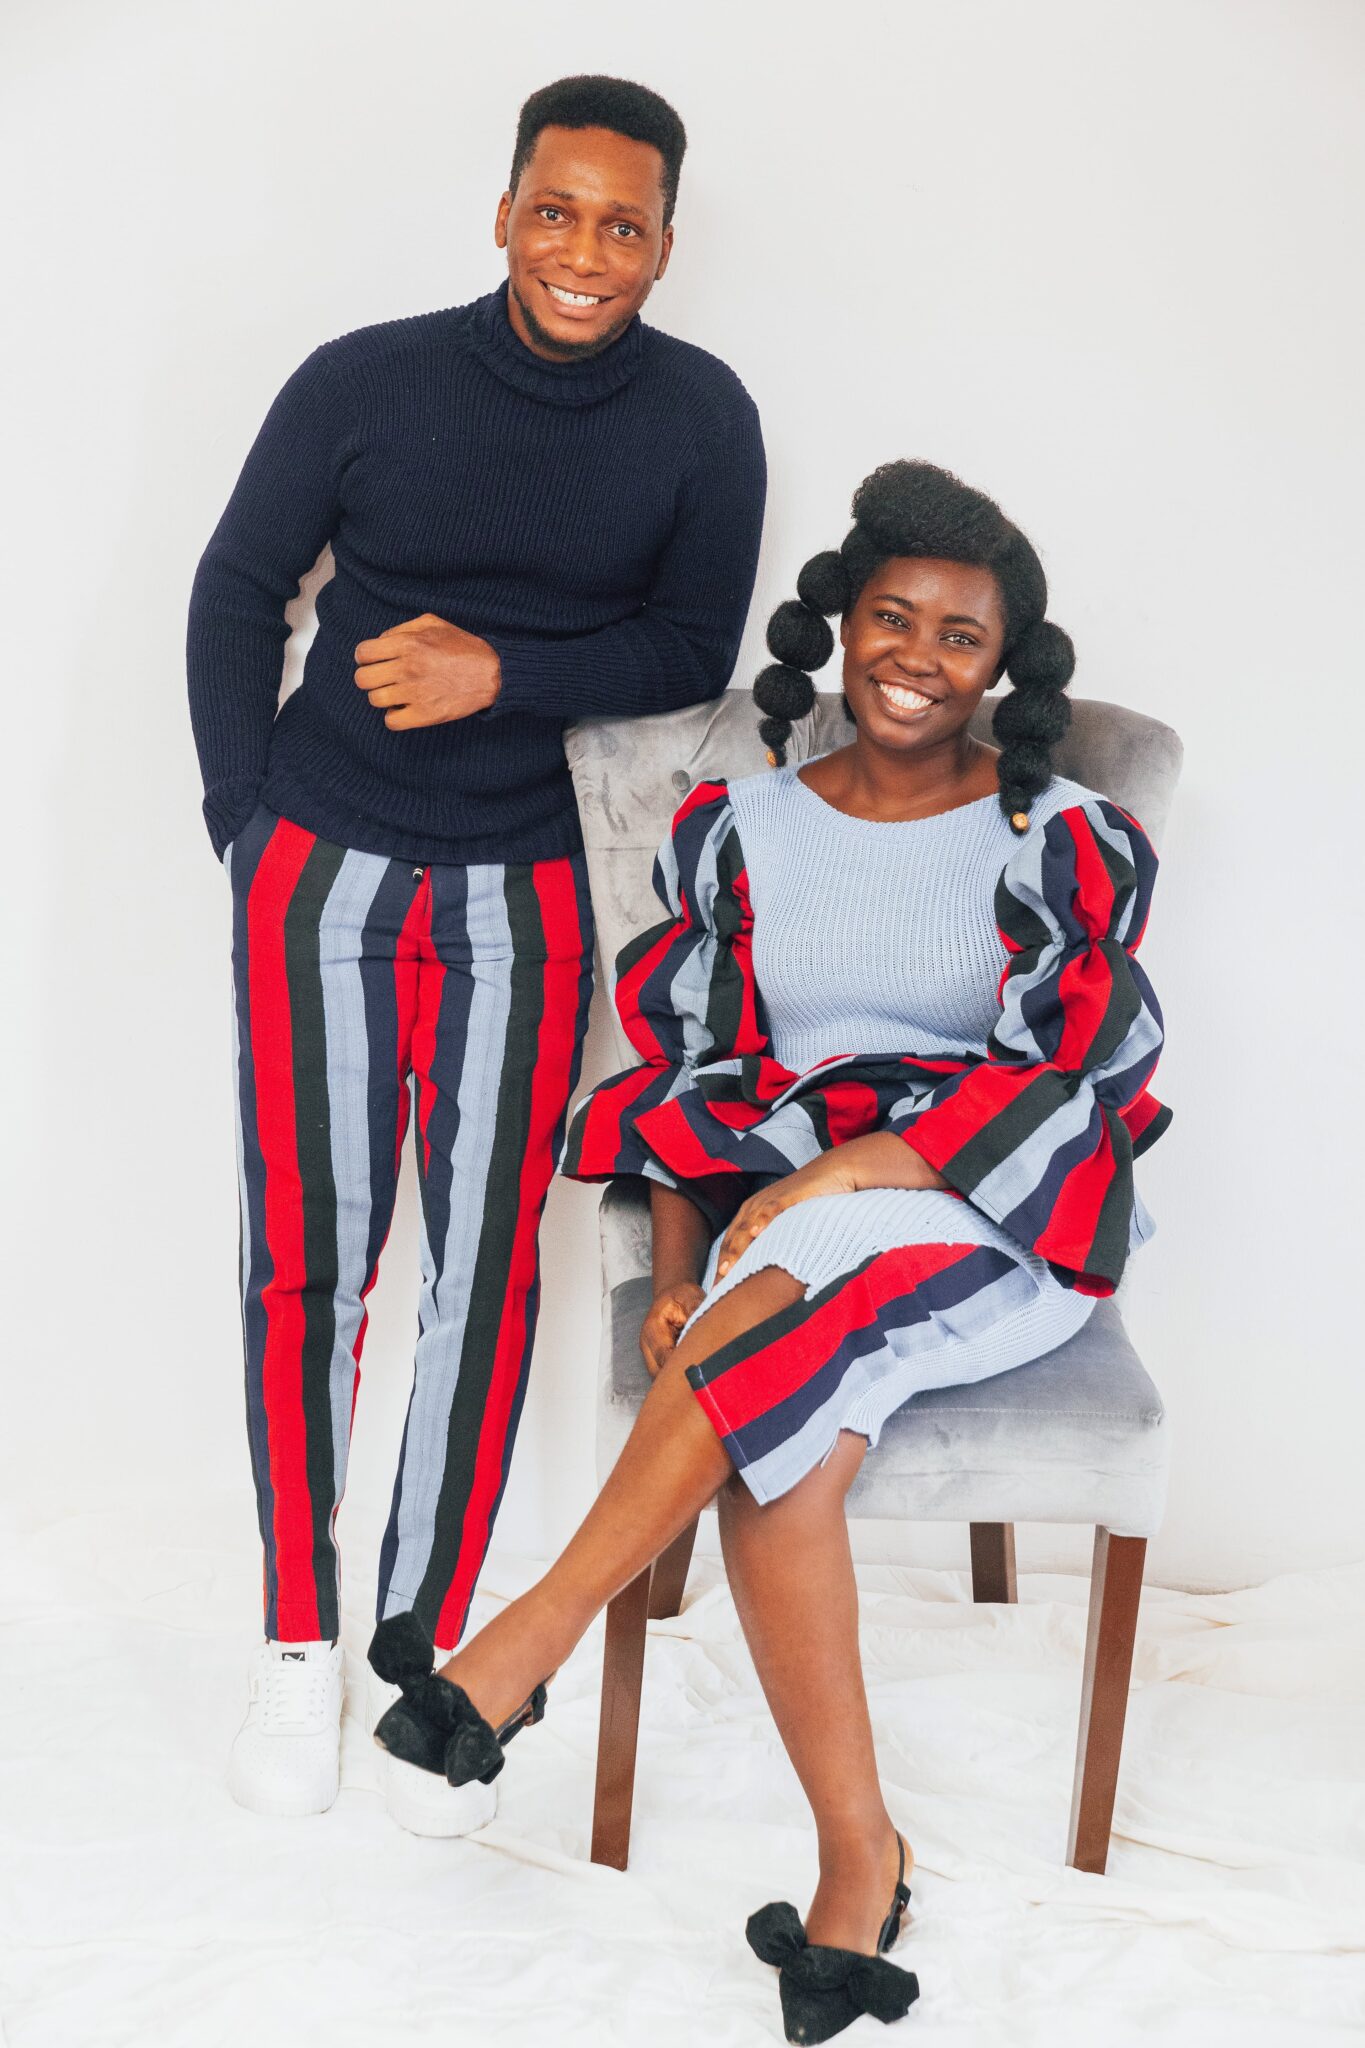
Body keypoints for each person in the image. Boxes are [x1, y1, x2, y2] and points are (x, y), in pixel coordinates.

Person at [367, 458, 1170, 2040]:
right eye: (891, 618)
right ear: (840, 625)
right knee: (775, 1433)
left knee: (782, 1332)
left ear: (999, 668)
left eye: (957, 636)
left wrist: (853, 1168)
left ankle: (519, 1645)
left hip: (998, 1206)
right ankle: (860, 1865)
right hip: (789, 1222)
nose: (916, 658)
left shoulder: (1058, 838)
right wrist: (676, 1271)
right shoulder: (738, 832)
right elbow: (697, 1084)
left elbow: (1068, 1079)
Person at [186, 74, 766, 1832]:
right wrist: (242, 824)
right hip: (320, 868)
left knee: (483, 1272)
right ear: (504, 213)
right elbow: (238, 588)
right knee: (308, 1263)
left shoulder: (702, 418)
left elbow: (688, 646)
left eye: (621, 224)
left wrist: (500, 674)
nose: (583, 251)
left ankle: (418, 1646)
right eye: (554, 210)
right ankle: (298, 1637)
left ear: (664, 243)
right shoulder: (363, 382)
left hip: (529, 888)